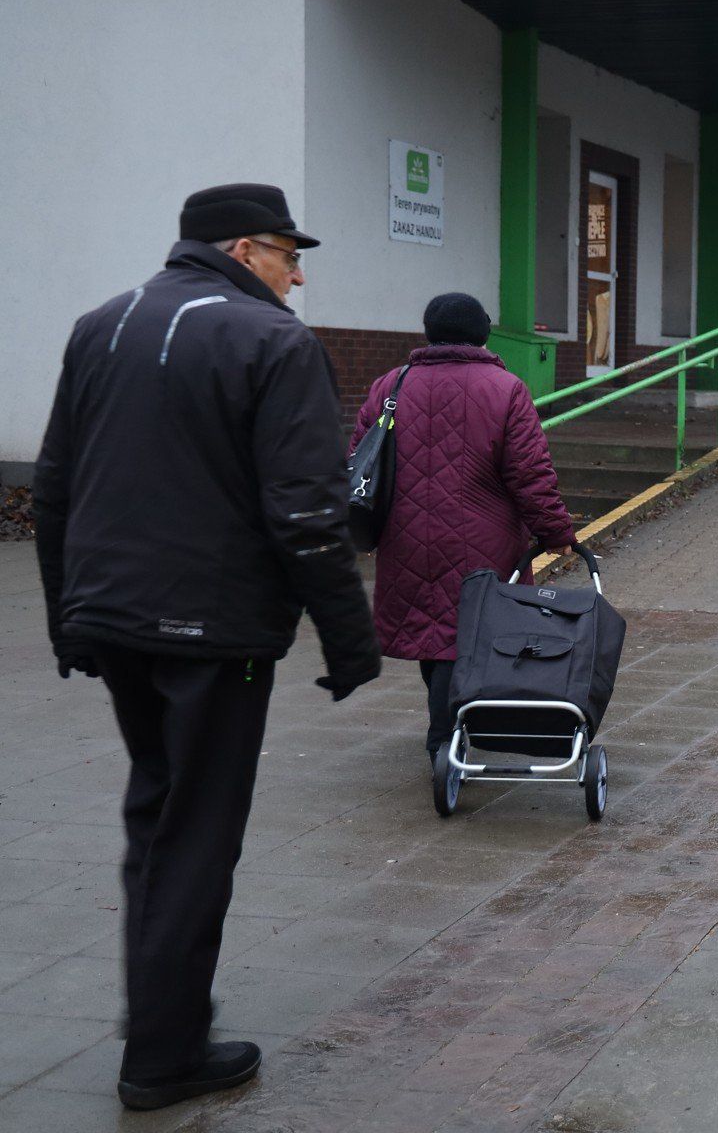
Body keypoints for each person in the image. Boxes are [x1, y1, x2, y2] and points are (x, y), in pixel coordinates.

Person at [33, 183, 381, 1111]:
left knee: (156, 810)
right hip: (213, 628)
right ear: (240, 250)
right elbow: (308, 511)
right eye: (286, 254)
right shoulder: (273, 342)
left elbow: (55, 483)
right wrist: (351, 643)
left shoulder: (100, 325)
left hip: (115, 620)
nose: (297, 275)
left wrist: (67, 614)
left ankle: (164, 1014)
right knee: (197, 833)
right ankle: (163, 1053)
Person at [352, 293, 576, 763]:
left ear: (429, 332)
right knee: (465, 636)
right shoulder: (505, 389)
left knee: (434, 633)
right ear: (483, 333)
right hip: (483, 542)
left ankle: (448, 727)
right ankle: (444, 739)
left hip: (406, 537)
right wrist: (556, 531)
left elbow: (358, 457)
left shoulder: (390, 385)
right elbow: (530, 473)